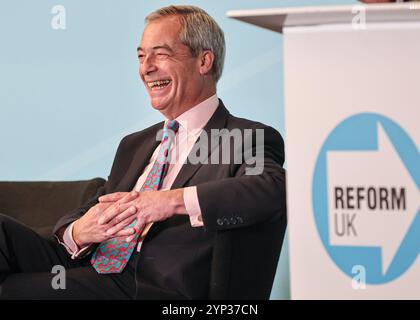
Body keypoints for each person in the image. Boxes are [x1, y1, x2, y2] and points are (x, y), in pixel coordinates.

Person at [0, 5, 286, 299]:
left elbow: (272, 190)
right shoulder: (135, 144)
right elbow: (100, 206)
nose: (146, 67)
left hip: (151, 287)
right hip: (86, 268)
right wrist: (77, 233)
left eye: (160, 54)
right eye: (141, 56)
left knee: (11, 291)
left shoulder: (243, 137)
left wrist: (167, 202)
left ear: (204, 61)